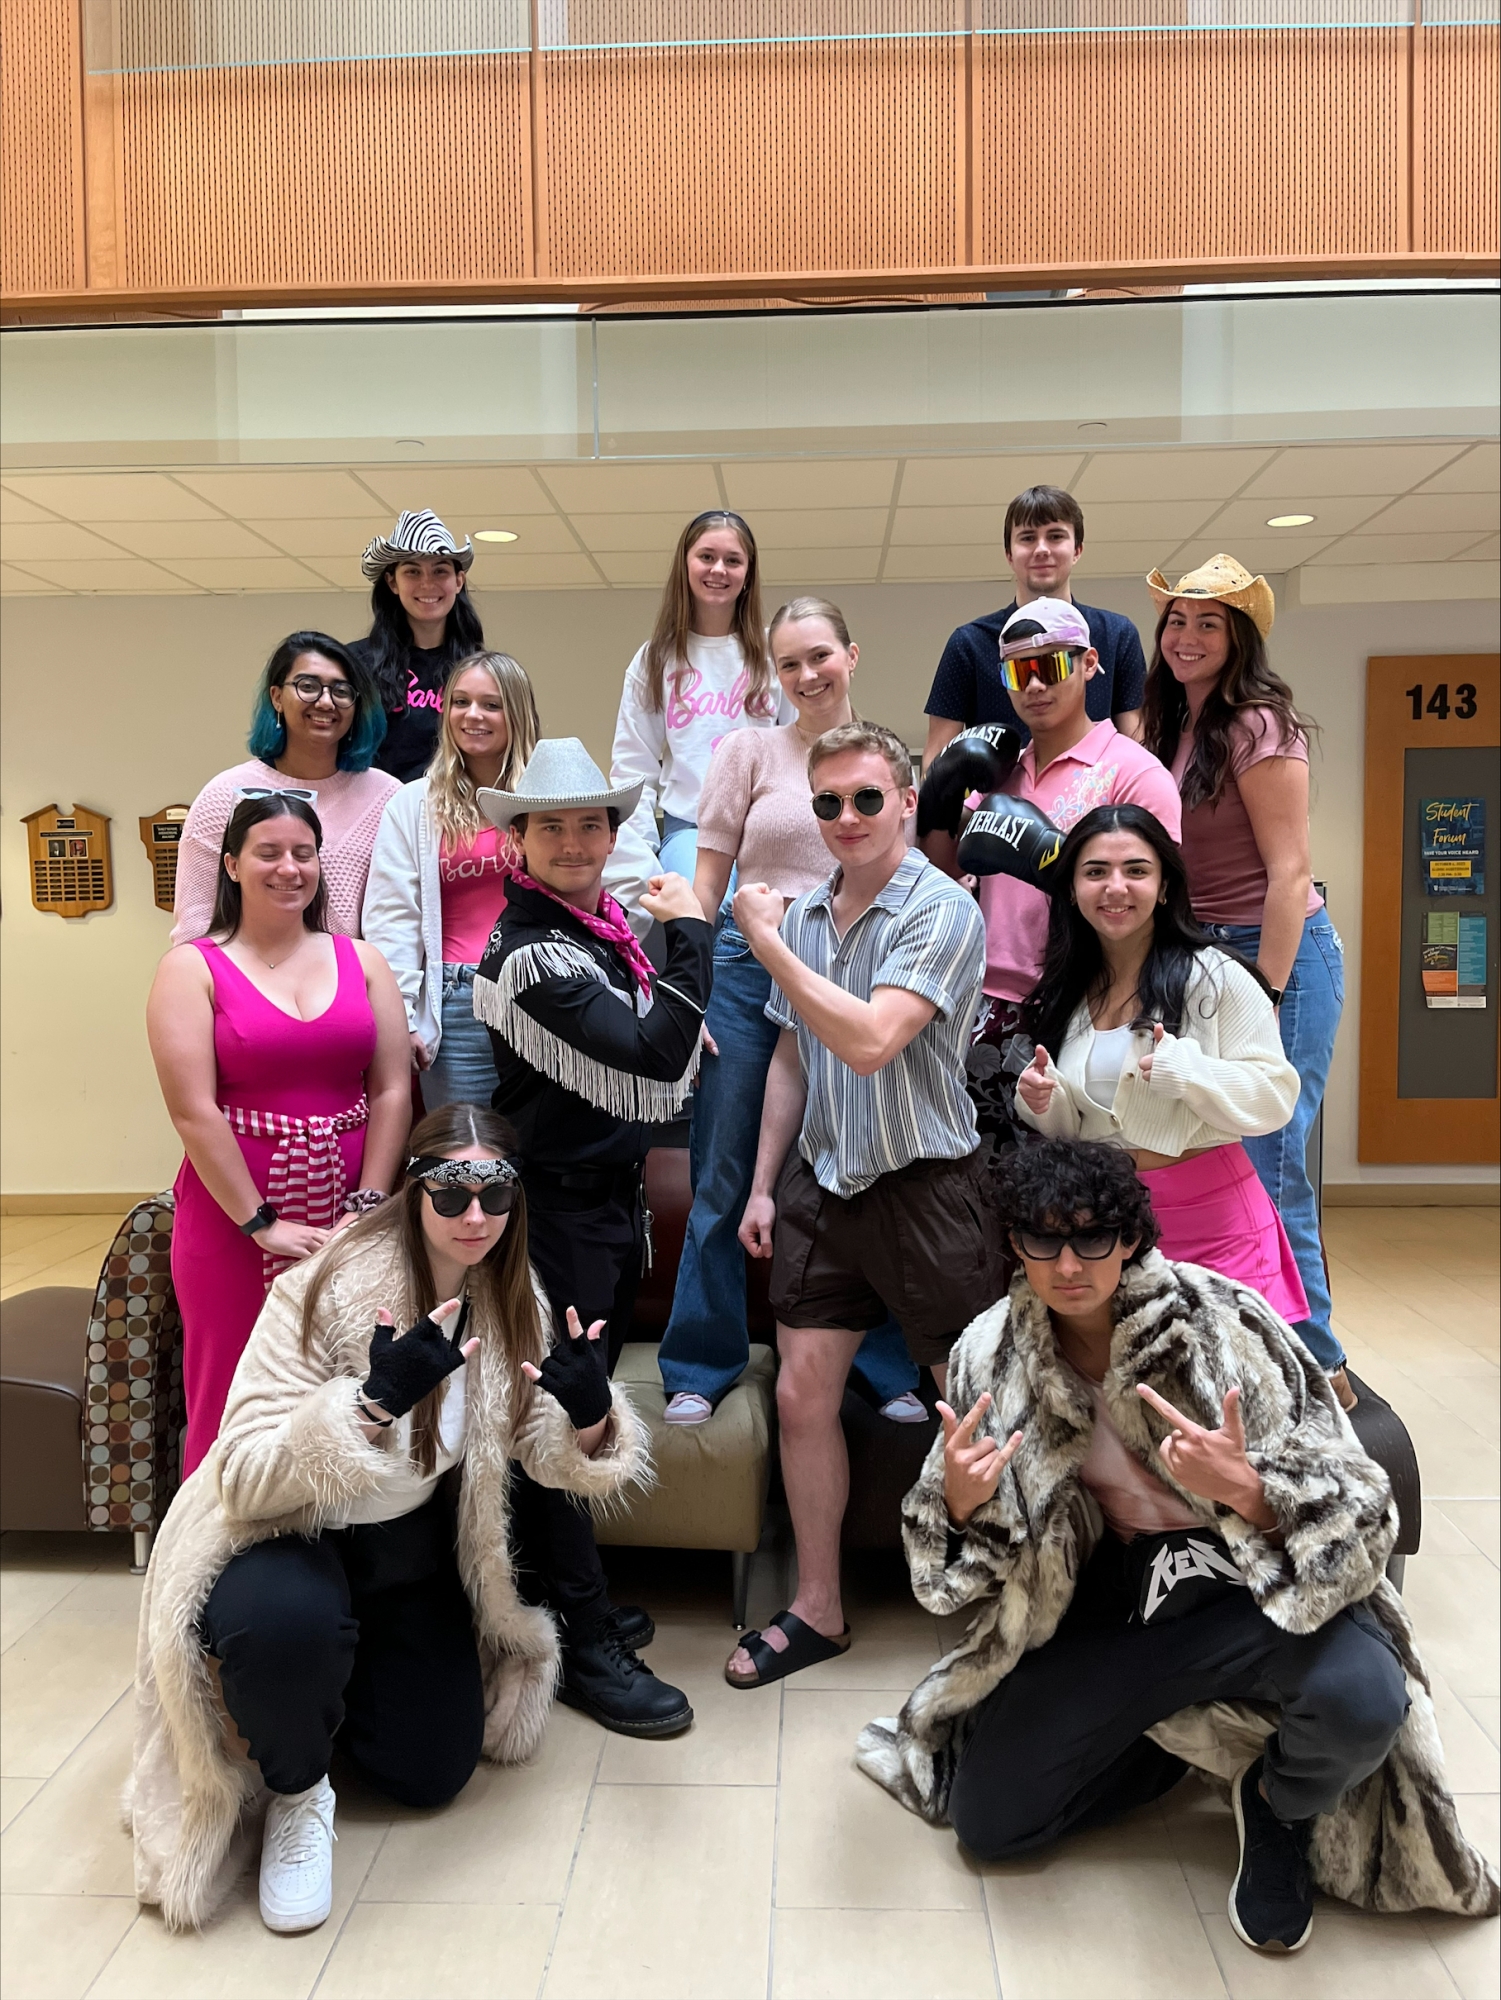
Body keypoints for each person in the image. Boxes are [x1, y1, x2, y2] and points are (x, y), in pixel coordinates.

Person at [856, 1139, 1498, 1950]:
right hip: (1122, 1609)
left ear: (1128, 1239)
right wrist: (957, 1502)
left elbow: (1363, 1504)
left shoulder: (1221, 1321)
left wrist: (1249, 1490)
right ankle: (1183, 1742)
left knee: (1364, 1700)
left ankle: (1275, 1805)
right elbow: (956, 1574)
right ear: (1014, 1245)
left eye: (1091, 1237)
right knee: (991, 1823)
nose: (1068, 1264)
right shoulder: (992, 1353)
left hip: (1253, 1590)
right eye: (1042, 1240)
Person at [127, 1104, 653, 1936]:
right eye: (450, 1193)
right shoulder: (323, 1288)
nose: (474, 1215)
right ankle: (297, 1790)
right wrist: (368, 1404)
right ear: (411, 1194)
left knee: (429, 1771)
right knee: (285, 1631)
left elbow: (546, 1449)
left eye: (495, 1193)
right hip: (278, 1530)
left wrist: (591, 1417)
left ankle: (310, 1704)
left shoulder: (512, 1298)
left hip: (402, 1541)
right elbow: (239, 1473)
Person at [724, 722, 1008, 1688]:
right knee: (802, 1396)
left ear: (908, 802)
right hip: (823, 1179)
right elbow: (797, 1054)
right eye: (828, 804)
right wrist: (764, 1185)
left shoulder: (943, 911)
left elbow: (871, 1039)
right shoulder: (805, 917)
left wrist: (762, 943)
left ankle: (1011, 1610)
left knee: (967, 1404)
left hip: (927, 1185)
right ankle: (818, 1608)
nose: (846, 820)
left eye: (866, 800)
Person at [472, 739, 709, 1736]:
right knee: (564, 1422)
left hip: (599, 1205)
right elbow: (657, 1053)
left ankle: (573, 1598)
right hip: (560, 1216)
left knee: (579, 1405)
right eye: (552, 823)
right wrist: (694, 932)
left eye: (591, 822)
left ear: (612, 833)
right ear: (517, 838)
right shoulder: (534, 953)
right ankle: (575, 1637)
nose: (575, 840)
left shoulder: (598, 928)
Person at [656, 598, 921, 1427]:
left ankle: (880, 1362)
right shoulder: (746, 751)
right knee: (722, 1171)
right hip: (743, 967)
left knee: (857, 1170)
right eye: (789, 662)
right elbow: (706, 883)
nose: (807, 675)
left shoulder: (878, 757)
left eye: (820, 656)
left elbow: (901, 874)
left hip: (848, 969)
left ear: (850, 655)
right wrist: (688, 989)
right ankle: (701, 1360)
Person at [147, 793, 412, 1475]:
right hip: (232, 1219)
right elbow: (193, 1110)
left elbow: (389, 1089)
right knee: (232, 1382)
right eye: (268, 852)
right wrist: (259, 1221)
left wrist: (369, 1205)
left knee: (346, 1375)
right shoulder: (192, 967)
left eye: (303, 853)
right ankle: (219, 1554)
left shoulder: (364, 961)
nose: (288, 867)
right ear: (231, 864)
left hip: (349, 1215)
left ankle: (334, 1545)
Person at [1140, 556, 1347, 1390]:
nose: (1185, 637)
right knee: (1213, 1160)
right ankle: (1238, 1351)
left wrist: (1260, 990)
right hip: (1201, 956)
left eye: (1208, 623)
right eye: (1177, 621)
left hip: (1275, 957)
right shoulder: (1166, 724)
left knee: (1274, 1163)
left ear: (1239, 638)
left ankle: (1317, 1361)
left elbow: (1289, 874)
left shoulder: (1259, 723)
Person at [1014, 803, 1307, 1322]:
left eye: (1137, 870)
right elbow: (1088, 1125)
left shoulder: (1216, 976)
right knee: (1129, 1388)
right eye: (1096, 872)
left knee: (1221, 1390)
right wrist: (1046, 1101)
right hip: (1108, 1224)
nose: (1116, 887)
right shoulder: (1071, 989)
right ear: (1073, 889)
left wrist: (1191, 1074)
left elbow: (1275, 1097)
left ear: (1166, 886)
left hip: (1214, 1220)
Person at [920, 597, 1180, 1160]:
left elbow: (1160, 904)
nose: (1034, 685)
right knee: (984, 1196)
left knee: (1079, 1197)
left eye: (1051, 666)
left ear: (1089, 664)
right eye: (1019, 671)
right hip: (987, 1005)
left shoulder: (1136, 771)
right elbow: (943, 880)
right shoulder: (996, 773)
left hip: (1090, 1004)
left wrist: (1056, 867)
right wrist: (937, 808)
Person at [364, 651, 540, 1108]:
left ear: (517, 714)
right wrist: (399, 1015)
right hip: (458, 998)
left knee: (543, 1154)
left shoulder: (548, 796)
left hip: (546, 992)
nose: (473, 715)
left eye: (491, 704)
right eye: (460, 702)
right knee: (465, 1156)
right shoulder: (414, 804)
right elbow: (392, 915)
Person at [171, 632, 397, 944]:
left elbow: (404, 920)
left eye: (342, 691)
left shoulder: (389, 798)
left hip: (357, 984)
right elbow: (197, 925)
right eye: (308, 686)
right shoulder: (223, 795)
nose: (326, 701)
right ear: (276, 696)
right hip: (248, 985)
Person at [609, 509, 790, 899]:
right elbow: (633, 765)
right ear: (685, 564)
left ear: (748, 574)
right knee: (709, 907)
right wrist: (642, 851)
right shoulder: (655, 658)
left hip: (766, 829)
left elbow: (802, 747)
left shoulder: (774, 652)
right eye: (706, 556)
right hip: (690, 830)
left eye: (733, 560)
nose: (719, 570)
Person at [922, 482, 1148, 794]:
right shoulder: (968, 643)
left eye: (1055, 536)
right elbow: (937, 758)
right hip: (993, 821)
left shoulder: (1117, 634)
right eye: (1028, 538)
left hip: (1093, 816)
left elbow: (1137, 741)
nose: (1042, 548)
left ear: (1077, 549)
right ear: (1009, 554)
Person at [351, 509, 487, 783]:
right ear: (392, 582)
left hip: (459, 814)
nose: (427, 583)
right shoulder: (354, 663)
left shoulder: (482, 670)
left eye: (440, 571)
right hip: (378, 813)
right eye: (412, 571)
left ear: (458, 581)